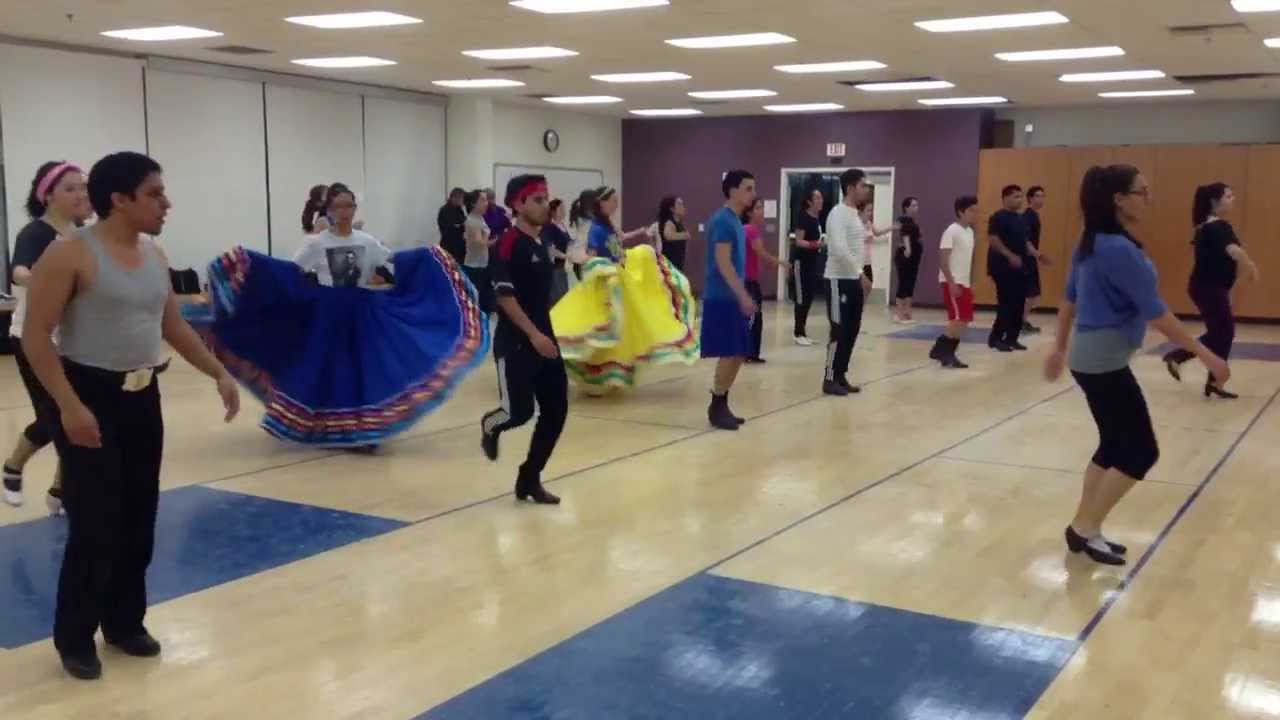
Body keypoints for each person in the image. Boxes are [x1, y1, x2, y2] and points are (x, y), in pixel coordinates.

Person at [22, 151, 242, 680]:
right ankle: (75, 637)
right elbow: (35, 337)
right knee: (95, 522)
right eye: (155, 194)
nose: (166, 204)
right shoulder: (69, 254)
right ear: (119, 200)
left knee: (139, 516)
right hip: (88, 394)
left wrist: (218, 371)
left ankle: (124, 622)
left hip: (143, 396)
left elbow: (173, 326)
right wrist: (69, 406)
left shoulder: (154, 254)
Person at [192, 185, 489, 448]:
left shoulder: (366, 241)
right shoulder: (317, 243)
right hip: (328, 315)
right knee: (335, 371)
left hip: (363, 312)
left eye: (349, 205)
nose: (345, 211)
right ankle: (334, 427)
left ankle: (364, 430)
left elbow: (391, 262)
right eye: (339, 206)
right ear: (330, 210)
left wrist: (427, 258)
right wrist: (250, 266)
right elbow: (291, 272)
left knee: (364, 369)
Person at [1044, 164, 1228, 567]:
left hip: (1092, 358)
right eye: (1142, 191)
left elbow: (1070, 299)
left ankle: (1085, 527)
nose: (1149, 198)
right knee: (1141, 452)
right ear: (1119, 199)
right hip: (1102, 361)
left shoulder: (1093, 240)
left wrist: (1059, 348)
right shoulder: (1115, 248)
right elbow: (1157, 313)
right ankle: (1083, 529)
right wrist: (1207, 355)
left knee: (1113, 445)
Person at [3, 161, 92, 513]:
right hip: (34, 338)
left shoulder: (82, 232)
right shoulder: (36, 233)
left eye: (82, 187)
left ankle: (61, 490)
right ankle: (13, 468)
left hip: (74, 340)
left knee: (81, 414)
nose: (80, 194)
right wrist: (46, 280)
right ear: (47, 195)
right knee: (54, 416)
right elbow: (19, 272)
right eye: (70, 188)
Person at [550, 187, 698, 391]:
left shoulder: (608, 225)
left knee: (621, 330)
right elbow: (592, 256)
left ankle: (607, 374)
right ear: (602, 203)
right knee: (602, 329)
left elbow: (617, 246)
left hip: (618, 280)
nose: (616, 203)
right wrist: (596, 264)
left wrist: (632, 250)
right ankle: (595, 372)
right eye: (613, 200)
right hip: (606, 287)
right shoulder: (596, 229)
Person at [481, 174, 566, 505]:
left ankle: (529, 478)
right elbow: (505, 298)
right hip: (516, 343)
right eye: (538, 200)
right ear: (518, 204)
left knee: (556, 411)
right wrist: (533, 335)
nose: (545, 206)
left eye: (546, 199)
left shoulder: (542, 242)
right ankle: (490, 425)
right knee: (519, 413)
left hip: (546, 340)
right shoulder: (507, 243)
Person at [1162, 182, 1260, 398]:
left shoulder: (1207, 226)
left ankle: (1214, 381)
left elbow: (1223, 261)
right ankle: (1179, 357)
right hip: (1208, 288)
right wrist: (1251, 267)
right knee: (1222, 332)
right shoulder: (1218, 226)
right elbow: (1234, 251)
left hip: (1207, 288)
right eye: (1228, 196)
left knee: (1222, 333)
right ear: (1215, 202)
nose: (1233, 199)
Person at [701, 170, 757, 429]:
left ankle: (721, 402)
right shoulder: (722, 221)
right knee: (730, 351)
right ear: (732, 190)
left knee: (738, 352)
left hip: (732, 296)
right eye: (748, 188)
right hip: (722, 297)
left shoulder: (735, 220)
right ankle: (717, 404)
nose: (753, 194)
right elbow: (723, 262)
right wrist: (742, 295)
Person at [822, 170, 873, 397]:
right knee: (839, 329)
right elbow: (839, 248)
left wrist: (858, 275)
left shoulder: (855, 214)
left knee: (852, 329)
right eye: (863, 185)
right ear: (850, 188)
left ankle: (840, 374)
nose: (866, 189)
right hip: (837, 280)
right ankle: (829, 378)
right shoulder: (838, 213)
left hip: (852, 280)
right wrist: (861, 274)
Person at [986, 185, 1041, 352]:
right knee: (1006, 303)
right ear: (1005, 198)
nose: (1020, 200)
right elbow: (993, 239)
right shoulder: (998, 217)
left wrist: (1037, 254)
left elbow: (1025, 242)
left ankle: (1012, 338)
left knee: (1019, 303)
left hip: (1019, 267)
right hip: (1002, 267)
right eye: (1016, 196)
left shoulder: (1020, 219)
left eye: (1021, 196)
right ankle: (995, 338)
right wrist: (1009, 255)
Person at [929, 196, 979, 369]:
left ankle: (947, 353)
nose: (975, 213)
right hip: (952, 281)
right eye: (971, 210)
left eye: (976, 210)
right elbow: (943, 260)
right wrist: (951, 282)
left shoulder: (970, 232)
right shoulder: (951, 231)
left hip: (964, 282)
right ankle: (941, 350)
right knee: (958, 319)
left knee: (964, 320)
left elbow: (970, 260)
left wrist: (971, 283)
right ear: (960, 212)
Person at [743, 198, 786, 363]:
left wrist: (770, 265)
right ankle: (746, 353)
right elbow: (760, 252)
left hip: (750, 280)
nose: (762, 212)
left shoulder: (748, 230)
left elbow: (755, 255)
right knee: (753, 318)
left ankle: (750, 353)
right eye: (758, 208)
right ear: (749, 213)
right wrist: (781, 263)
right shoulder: (750, 230)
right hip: (747, 281)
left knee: (754, 318)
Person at [791, 189, 824, 346]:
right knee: (801, 298)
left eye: (821, 198)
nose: (820, 200)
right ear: (809, 202)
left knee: (809, 297)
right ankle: (797, 333)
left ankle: (803, 332)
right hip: (801, 263)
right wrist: (815, 244)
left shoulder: (816, 218)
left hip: (812, 263)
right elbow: (798, 241)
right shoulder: (803, 217)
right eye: (817, 198)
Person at [462, 189, 498, 313]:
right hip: (475, 267)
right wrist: (494, 241)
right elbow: (479, 243)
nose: (486, 203)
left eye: (486, 200)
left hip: (482, 264)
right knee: (477, 303)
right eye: (482, 200)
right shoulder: (472, 220)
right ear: (473, 203)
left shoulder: (480, 218)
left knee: (485, 302)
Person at [893, 196, 923, 324]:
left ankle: (907, 313)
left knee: (911, 283)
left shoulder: (913, 222)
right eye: (913, 205)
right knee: (903, 282)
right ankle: (899, 314)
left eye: (917, 205)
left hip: (914, 256)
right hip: (905, 255)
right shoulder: (903, 220)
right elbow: (904, 235)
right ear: (906, 208)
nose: (916, 208)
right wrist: (908, 249)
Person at [1022, 186, 1048, 334]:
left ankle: (1021, 321)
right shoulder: (1028, 216)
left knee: (1031, 294)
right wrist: (1038, 255)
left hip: (1030, 260)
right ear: (1030, 198)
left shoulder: (1034, 215)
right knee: (1029, 294)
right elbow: (1025, 241)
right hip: (1026, 260)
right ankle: (1019, 322)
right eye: (1038, 196)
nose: (1041, 199)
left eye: (1043, 196)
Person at [544, 199, 574, 306]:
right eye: (561, 208)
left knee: (565, 297)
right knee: (559, 300)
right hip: (556, 269)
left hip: (565, 267)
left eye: (564, 208)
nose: (564, 210)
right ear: (553, 212)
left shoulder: (562, 226)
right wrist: (565, 256)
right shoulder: (549, 227)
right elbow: (549, 249)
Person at [657, 195, 692, 272]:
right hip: (669, 266)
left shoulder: (679, 223)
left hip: (677, 264)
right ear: (672, 209)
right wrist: (684, 235)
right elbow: (668, 235)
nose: (683, 207)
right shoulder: (669, 223)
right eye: (679, 204)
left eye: (683, 204)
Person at [437, 187, 467, 264]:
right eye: (462, 199)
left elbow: (463, 221)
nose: (463, 201)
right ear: (455, 198)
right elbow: (450, 227)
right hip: (449, 246)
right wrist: (461, 225)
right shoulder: (445, 210)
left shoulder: (459, 209)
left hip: (460, 247)